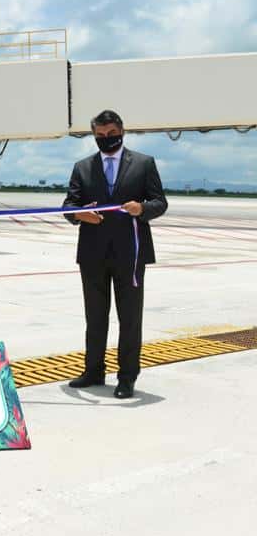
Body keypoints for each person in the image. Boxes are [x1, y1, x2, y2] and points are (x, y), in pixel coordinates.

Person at [63, 109, 167, 399]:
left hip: (130, 254)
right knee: (95, 317)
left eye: (111, 134)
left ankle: (126, 377)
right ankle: (94, 371)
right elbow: (69, 205)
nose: (106, 139)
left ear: (122, 131)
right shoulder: (82, 167)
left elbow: (160, 202)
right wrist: (81, 214)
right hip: (93, 253)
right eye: (100, 136)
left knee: (129, 318)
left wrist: (142, 209)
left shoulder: (144, 164)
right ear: (94, 135)